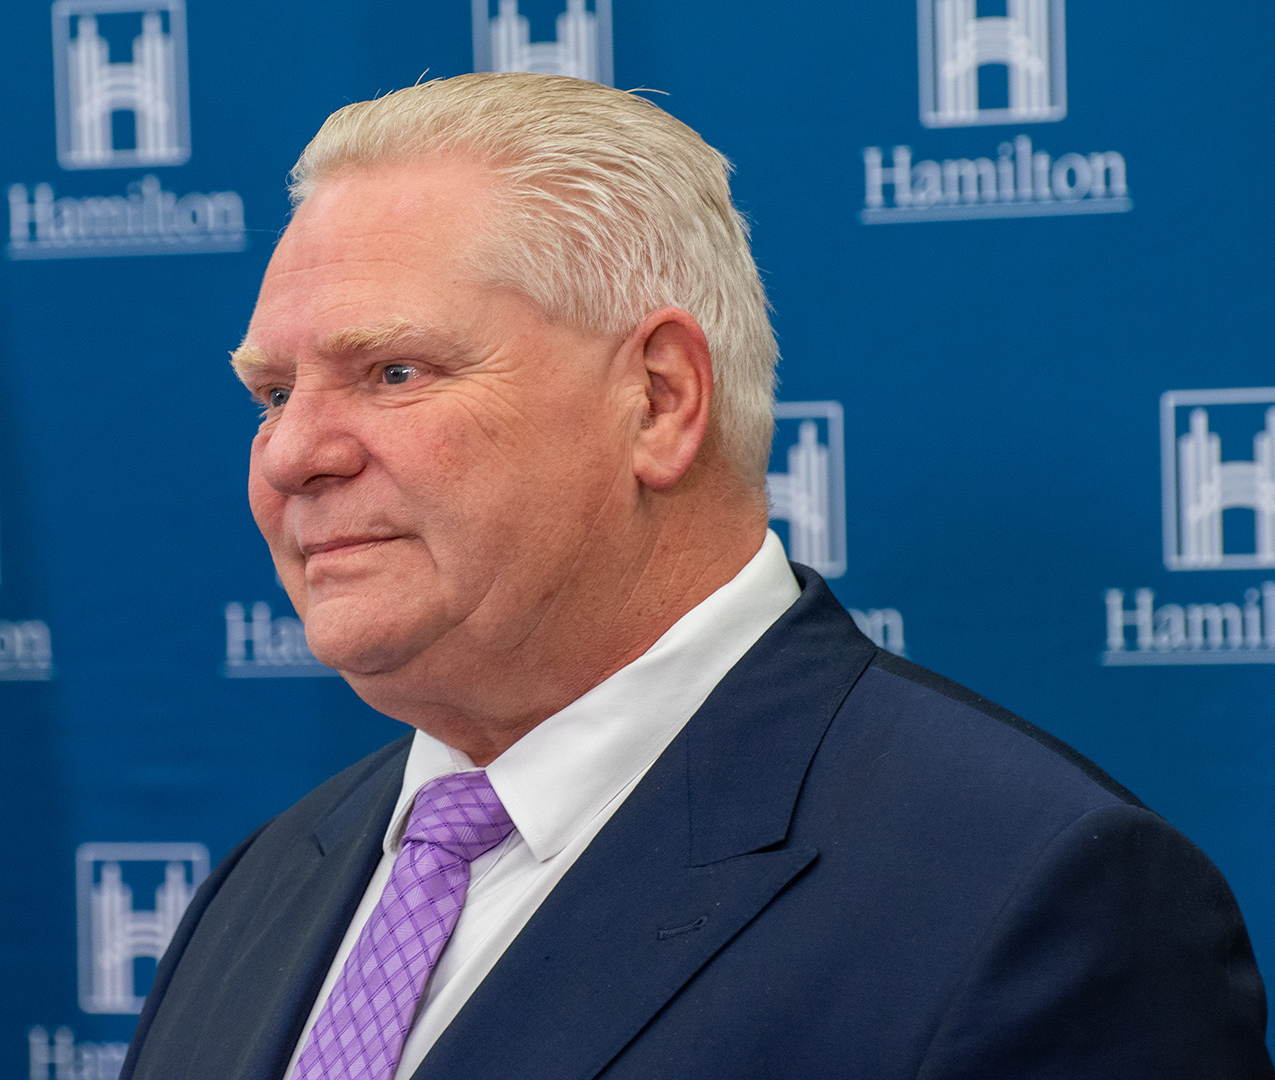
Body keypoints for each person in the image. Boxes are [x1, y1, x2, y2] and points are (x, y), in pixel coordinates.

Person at [122, 73, 1274, 1080]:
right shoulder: (269, 882)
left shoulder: (1030, 901)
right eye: (272, 394)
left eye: (392, 370)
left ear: (660, 398)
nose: (291, 454)